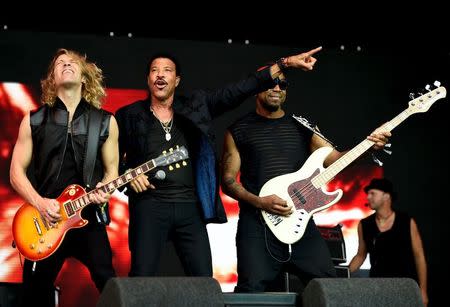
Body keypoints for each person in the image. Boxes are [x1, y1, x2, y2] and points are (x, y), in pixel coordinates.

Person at [115, 47, 324, 277]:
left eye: (167, 70)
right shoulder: (128, 115)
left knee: (203, 280)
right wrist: (130, 173)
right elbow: (111, 164)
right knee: (141, 278)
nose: (160, 75)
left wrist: (284, 64)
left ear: (177, 80)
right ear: (148, 79)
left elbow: (240, 89)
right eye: (155, 71)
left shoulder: (196, 105)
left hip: (189, 205)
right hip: (149, 204)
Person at [220, 65, 391, 294]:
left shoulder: (302, 125)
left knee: (330, 289)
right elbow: (228, 182)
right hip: (257, 226)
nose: (277, 88)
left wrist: (369, 147)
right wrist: (260, 202)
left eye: (283, 84)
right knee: (251, 292)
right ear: (255, 88)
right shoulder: (238, 130)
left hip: (300, 222)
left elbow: (336, 159)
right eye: (270, 82)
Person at [9, 48, 118, 307]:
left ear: (83, 77)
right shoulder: (34, 120)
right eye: (60, 63)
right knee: (34, 294)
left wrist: (106, 188)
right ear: (52, 79)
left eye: (72, 63)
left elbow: (113, 169)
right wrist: (39, 203)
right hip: (45, 220)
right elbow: (15, 173)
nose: (66, 65)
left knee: (110, 284)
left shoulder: (105, 122)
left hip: (88, 218)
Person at [349, 178, 428, 306]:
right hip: (378, 287)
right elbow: (360, 255)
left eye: (372, 193)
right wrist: (343, 276)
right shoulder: (365, 224)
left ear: (386, 196)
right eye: (368, 194)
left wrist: (423, 290)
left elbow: (419, 256)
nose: (368, 197)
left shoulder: (406, 222)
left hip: (405, 287)